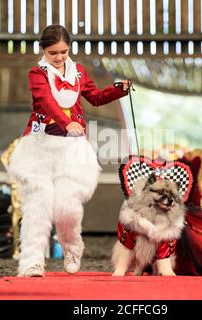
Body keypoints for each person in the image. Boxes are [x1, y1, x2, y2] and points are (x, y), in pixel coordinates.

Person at [8, 24, 130, 277]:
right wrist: (67, 122)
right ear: (43, 49)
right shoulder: (37, 73)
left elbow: (94, 97)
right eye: (53, 53)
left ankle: (72, 247)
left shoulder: (78, 72)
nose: (60, 57)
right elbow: (46, 102)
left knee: (67, 205)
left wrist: (118, 90)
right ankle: (32, 261)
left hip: (71, 148)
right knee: (38, 203)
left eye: (64, 51)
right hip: (40, 145)